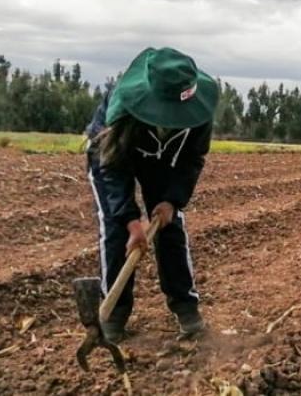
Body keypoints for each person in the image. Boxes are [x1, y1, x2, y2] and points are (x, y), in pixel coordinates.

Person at [85, 47, 218, 342]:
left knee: (170, 227)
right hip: (113, 157)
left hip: (163, 162)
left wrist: (172, 200)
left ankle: (186, 309)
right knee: (116, 229)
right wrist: (131, 221)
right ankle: (113, 314)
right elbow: (110, 169)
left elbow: (192, 159)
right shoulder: (121, 111)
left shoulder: (200, 109)